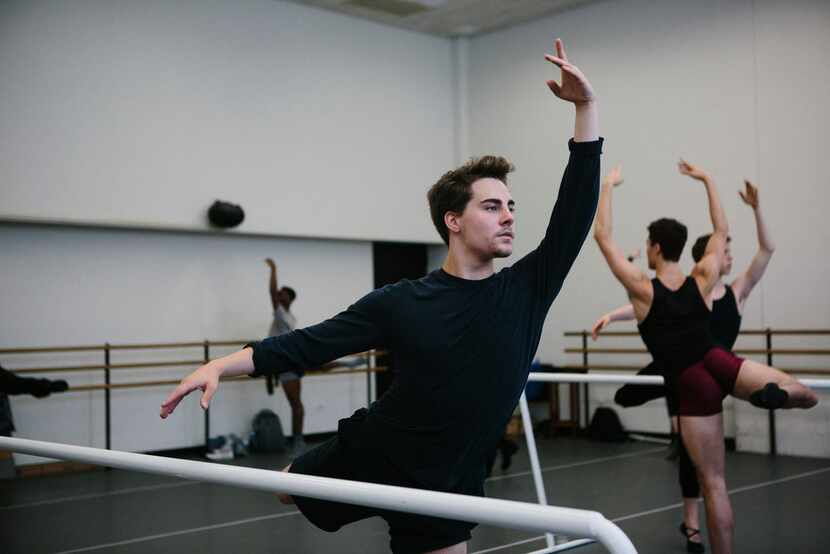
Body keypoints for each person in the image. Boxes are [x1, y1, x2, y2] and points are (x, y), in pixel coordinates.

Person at [161, 38, 601, 554]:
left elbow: (574, 211)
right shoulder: (401, 301)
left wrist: (585, 109)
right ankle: (302, 474)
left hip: (443, 475)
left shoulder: (527, 288)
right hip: (379, 447)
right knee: (288, 490)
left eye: (510, 205)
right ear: (453, 221)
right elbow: (310, 343)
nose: (508, 215)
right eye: (491, 206)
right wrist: (220, 366)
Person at [592, 161, 817, 554]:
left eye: (648, 245)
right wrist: (708, 180)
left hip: (691, 383)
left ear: (656, 248)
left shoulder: (644, 291)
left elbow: (603, 235)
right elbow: (721, 231)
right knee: (803, 392)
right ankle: (784, 397)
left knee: (713, 484)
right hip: (720, 360)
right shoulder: (703, 278)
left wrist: (608, 185)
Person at [264, 257, 305, 452]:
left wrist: (273, 269)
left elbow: (272, 292)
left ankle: (298, 440)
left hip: (287, 363)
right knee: (296, 403)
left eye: (282, 294)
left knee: (295, 403)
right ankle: (297, 440)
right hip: (282, 360)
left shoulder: (284, 315)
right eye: (279, 294)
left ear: (289, 298)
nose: (279, 296)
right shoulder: (286, 315)